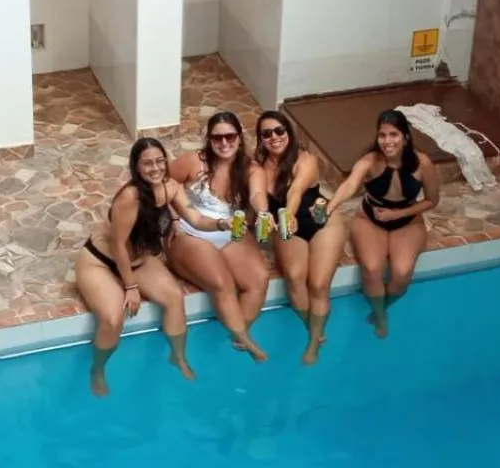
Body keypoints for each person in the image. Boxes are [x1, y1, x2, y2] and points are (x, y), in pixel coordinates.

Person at [75, 138, 230, 396]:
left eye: (160, 161)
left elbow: (198, 218)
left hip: (139, 260)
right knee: (113, 320)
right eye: (147, 163)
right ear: (137, 167)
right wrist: (130, 286)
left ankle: (177, 356)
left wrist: (221, 224)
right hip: (101, 262)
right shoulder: (130, 197)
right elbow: (118, 245)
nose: (155, 168)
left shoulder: (170, 188)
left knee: (174, 298)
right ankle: (98, 369)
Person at [326, 110, 441, 338]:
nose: (387, 141)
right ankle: (379, 315)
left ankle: (384, 306)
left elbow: (432, 201)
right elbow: (349, 185)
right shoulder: (370, 161)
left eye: (394, 134)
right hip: (370, 220)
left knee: (401, 274)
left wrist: (398, 214)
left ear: (406, 137)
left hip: (407, 222)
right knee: (371, 269)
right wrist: (330, 206)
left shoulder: (422, 163)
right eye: (382, 135)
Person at [167, 111, 270, 360]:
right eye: (217, 138)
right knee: (222, 284)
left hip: (227, 229)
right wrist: (172, 218)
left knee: (260, 279)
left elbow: (257, 195)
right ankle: (244, 341)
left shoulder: (250, 169)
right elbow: (162, 183)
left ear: (239, 137)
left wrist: (263, 212)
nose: (224, 143)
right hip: (191, 231)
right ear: (209, 140)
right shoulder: (195, 161)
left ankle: (235, 341)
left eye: (230, 136)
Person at [252, 111, 348, 365]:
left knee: (317, 284)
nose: (274, 137)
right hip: (287, 227)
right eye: (266, 133)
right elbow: (257, 194)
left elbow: (295, 191)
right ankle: (313, 331)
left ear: (289, 133)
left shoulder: (306, 160)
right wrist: (266, 216)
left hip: (320, 221)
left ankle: (313, 347)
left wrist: (288, 215)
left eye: (279, 131)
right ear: (260, 139)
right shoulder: (259, 168)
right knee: (295, 278)